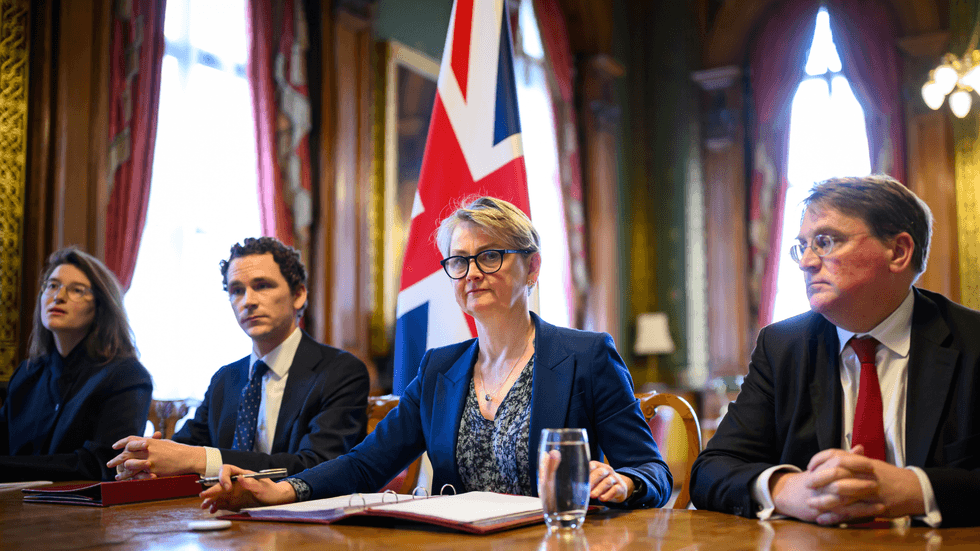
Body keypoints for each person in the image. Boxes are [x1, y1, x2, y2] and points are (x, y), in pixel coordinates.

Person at [199, 196, 672, 512]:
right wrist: (284, 489)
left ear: (532, 267)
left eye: (491, 256)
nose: (472, 273)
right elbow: (367, 463)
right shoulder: (439, 368)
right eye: (460, 261)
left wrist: (624, 483)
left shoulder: (585, 356)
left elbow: (653, 471)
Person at [690, 175, 980, 527]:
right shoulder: (783, 347)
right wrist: (786, 489)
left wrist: (917, 489)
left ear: (899, 251)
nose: (806, 262)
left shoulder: (972, 342)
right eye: (803, 246)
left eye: (826, 242)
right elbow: (711, 469)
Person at [108, 237, 370, 479]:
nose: (248, 301)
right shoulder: (226, 378)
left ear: (299, 295)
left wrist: (201, 459)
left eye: (262, 286)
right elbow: (186, 448)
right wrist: (148, 458)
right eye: (237, 290)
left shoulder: (341, 371)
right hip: (221, 517)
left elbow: (318, 466)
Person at [0, 247, 152, 481]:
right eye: (51, 285)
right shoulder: (26, 374)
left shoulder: (127, 376)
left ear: (100, 306)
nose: (58, 296)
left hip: (83, 513)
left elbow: (103, 464)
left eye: (76, 290)